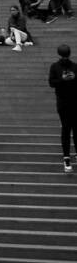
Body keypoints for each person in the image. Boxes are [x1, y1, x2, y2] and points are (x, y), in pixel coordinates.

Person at [48, 44, 77, 174]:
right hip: (63, 103)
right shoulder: (55, 67)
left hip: (74, 102)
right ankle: (66, 157)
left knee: (74, 129)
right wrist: (63, 79)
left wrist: (73, 79)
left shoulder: (74, 67)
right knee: (66, 128)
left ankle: (72, 155)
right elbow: (52, 83)